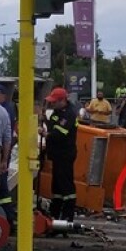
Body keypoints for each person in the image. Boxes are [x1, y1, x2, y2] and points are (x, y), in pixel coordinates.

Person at [43, 86, 79, 221]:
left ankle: (67, 216)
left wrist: (46, 134)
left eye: (54, 101)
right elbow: (52, 126)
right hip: (57, 154)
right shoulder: (57, 112)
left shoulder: (69, 114)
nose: (52, 104)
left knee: (66, 185)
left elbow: (59, 133)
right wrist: (44, 120)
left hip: (65, 154)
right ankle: (55, 213)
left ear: (62, 100)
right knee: (56, 186)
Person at [0, 84, 18, 227]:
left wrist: (3, 158)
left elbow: (6, 135)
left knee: (1, 185)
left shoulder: (4, 110)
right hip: (3, 151)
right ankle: (8, 217)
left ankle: (8, 218)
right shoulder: (6, 108)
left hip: (2, 151)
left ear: (3, 95)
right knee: (1, 186)